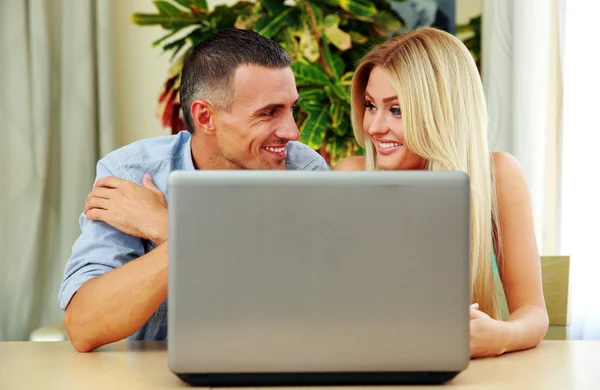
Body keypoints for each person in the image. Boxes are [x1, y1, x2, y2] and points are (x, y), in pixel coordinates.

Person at [59, 28, 329, 352]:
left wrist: (169, 229)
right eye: (269, 113)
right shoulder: (132, 174)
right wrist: (185, 242)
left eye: (291, 109)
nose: (292, 131)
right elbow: (84, 325)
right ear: (206, 116)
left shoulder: (302, 171)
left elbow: (307, 313)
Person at [335, 27, 549, 358]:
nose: (374, 127)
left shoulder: (498, 176)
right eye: (370, 105)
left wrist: (501, 336)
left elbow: (534, 314)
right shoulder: (350, 176)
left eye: (396, 110)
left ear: (442, 111)